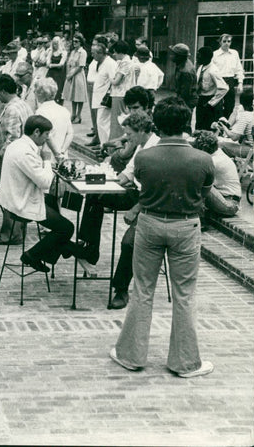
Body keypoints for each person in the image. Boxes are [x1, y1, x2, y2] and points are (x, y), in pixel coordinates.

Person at [110, 99, 215, 378]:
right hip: (185, 225)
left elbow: (140, 185)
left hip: (151, 222)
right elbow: (204, 194)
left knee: (143, 289)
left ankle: (131, 355)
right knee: (184, 293)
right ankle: (184, 362)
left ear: (158, 124)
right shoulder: (203, 159)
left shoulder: (145, 157)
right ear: (185, 124)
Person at [0, 116, 77, 273]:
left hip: (16, 196)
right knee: (67, 228)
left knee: (54, 201)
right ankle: (32, 255)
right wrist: (47, 161)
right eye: (46, 134)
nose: (48, 138)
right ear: (36, 132)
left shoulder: (18, 144)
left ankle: (65, 247)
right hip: (21, 203)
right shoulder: (26, 153)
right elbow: (45, 182)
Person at [106, 111, 163, 309]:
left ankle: (121, 289)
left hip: (152, 203)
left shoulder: (157, 149)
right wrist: (106, 180)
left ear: (141, 131)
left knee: (129, 243)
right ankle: (88, 246)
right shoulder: (140, 146)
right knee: (96, 197)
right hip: (137, 194)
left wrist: (136, 209)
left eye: (129, 134)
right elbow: (127, 174)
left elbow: (156, 190)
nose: (127, 138)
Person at [0, 74, 34, 246]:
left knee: (9, 195)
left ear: (3, 91)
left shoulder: (11, 109)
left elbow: (12, 137)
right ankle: (18, 229)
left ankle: (11, 233)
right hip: (23, 155)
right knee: (18, 193)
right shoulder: (23, 104)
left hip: (12, 158)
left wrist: (0, 155)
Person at [192, 130, 241, 218]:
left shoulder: (214, 161)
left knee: (199, 182)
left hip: (230, 204)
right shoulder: (218, 154)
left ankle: (200, 218)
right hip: (227, 200)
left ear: (203, 149)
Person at [34, 78, 73, 162]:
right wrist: (62, 151)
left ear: (41, 94)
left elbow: (47, 136)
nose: (35, 94)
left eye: (36, 91)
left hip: (47, 155)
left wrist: (57, 154)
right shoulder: (64, 110)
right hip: (63, 155)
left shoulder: (41, 111)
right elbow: (70, 133)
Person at [89, 43, 118, 146]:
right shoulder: (99, 62)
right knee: (100, 123)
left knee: (103, 123)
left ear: (100, 53)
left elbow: (113, 80)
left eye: (93, 53)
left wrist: (109, 95)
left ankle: (105, 146)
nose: (92, 56)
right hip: (98, 97)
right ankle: (103, 145)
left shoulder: (110, 64)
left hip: (104, 98)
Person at [195, 46, 229, 132]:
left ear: (206, 58)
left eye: (199, 56)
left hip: (210, 101)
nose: (197, 58)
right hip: (201, 99)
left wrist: (211, 103)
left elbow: (224, 88)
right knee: (199, 124)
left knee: (209, 126)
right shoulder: (201, 68)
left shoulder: (213, 70)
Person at [108, 41, 137, 141]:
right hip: (121, 94)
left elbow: (116, 81)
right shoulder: (125, 62)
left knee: (117, 122)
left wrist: (110, 78)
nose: (114, 55)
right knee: (119, 120)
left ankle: (115, 145)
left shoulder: (125, 63)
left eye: (115, 52)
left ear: (121, 52)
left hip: (120, 94)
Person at [212, 33, 245, 120]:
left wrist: (240, 83)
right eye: (224, 41)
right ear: (220, 42)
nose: (226, 43)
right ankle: (217, 126)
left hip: (230, 80)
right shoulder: (214, 54)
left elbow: (239, 69)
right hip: (219, 81)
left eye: (229, 41)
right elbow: (212, 70)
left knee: (230, 105)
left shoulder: (234, 53)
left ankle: (227, 125)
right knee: (217, 105)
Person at [217, 87, 254, 159]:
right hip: (250, 146)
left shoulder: (245, 115)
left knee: (218, 144)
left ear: (241, 101)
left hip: (249, 150)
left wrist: (224, 127)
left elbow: (234, 137)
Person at [63, 33, 88, 124]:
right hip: (71, 74)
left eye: (76, 41)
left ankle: (79, 115)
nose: (74, 43)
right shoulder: (73, 52)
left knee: (79, 96)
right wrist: (68, 74)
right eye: (73, 41)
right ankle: (73, 113)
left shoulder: (83, 52)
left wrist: (71, 74)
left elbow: (81, 66)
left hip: (78, 75)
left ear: (81, 42)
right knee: (73, 95)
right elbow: (69, 63)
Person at [168, 43, 197, 110]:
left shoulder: (186, 72)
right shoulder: (181, 63)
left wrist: (178, 104)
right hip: (184, 97)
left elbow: (186, 93)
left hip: (187, 101)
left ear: (179, 57)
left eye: (173, 54)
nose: (170, 56)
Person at [45, 36, 67, 103]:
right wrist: (52, 65)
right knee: (49, 90)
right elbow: (47, 63)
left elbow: (61, 64)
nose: (55, 45)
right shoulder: (50, 52)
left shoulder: (63, 52)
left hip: (59, 74)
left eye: (56, 43)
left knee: (59, 91)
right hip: (51, 74)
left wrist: (51, 65)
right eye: (54, 43)